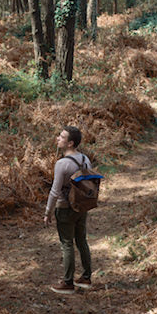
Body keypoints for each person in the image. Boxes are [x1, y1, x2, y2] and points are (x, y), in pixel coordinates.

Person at [44, 126, 92, 294]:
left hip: (65, 208)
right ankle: (86, 277)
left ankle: (68, 282)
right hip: (82, 206)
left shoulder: (62, 164)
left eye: (62, 137)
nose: (58, 138)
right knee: (81, 240)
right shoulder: (85, 159)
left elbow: (55, 191)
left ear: (70, 143)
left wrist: (48, 212)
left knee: (67, 244)